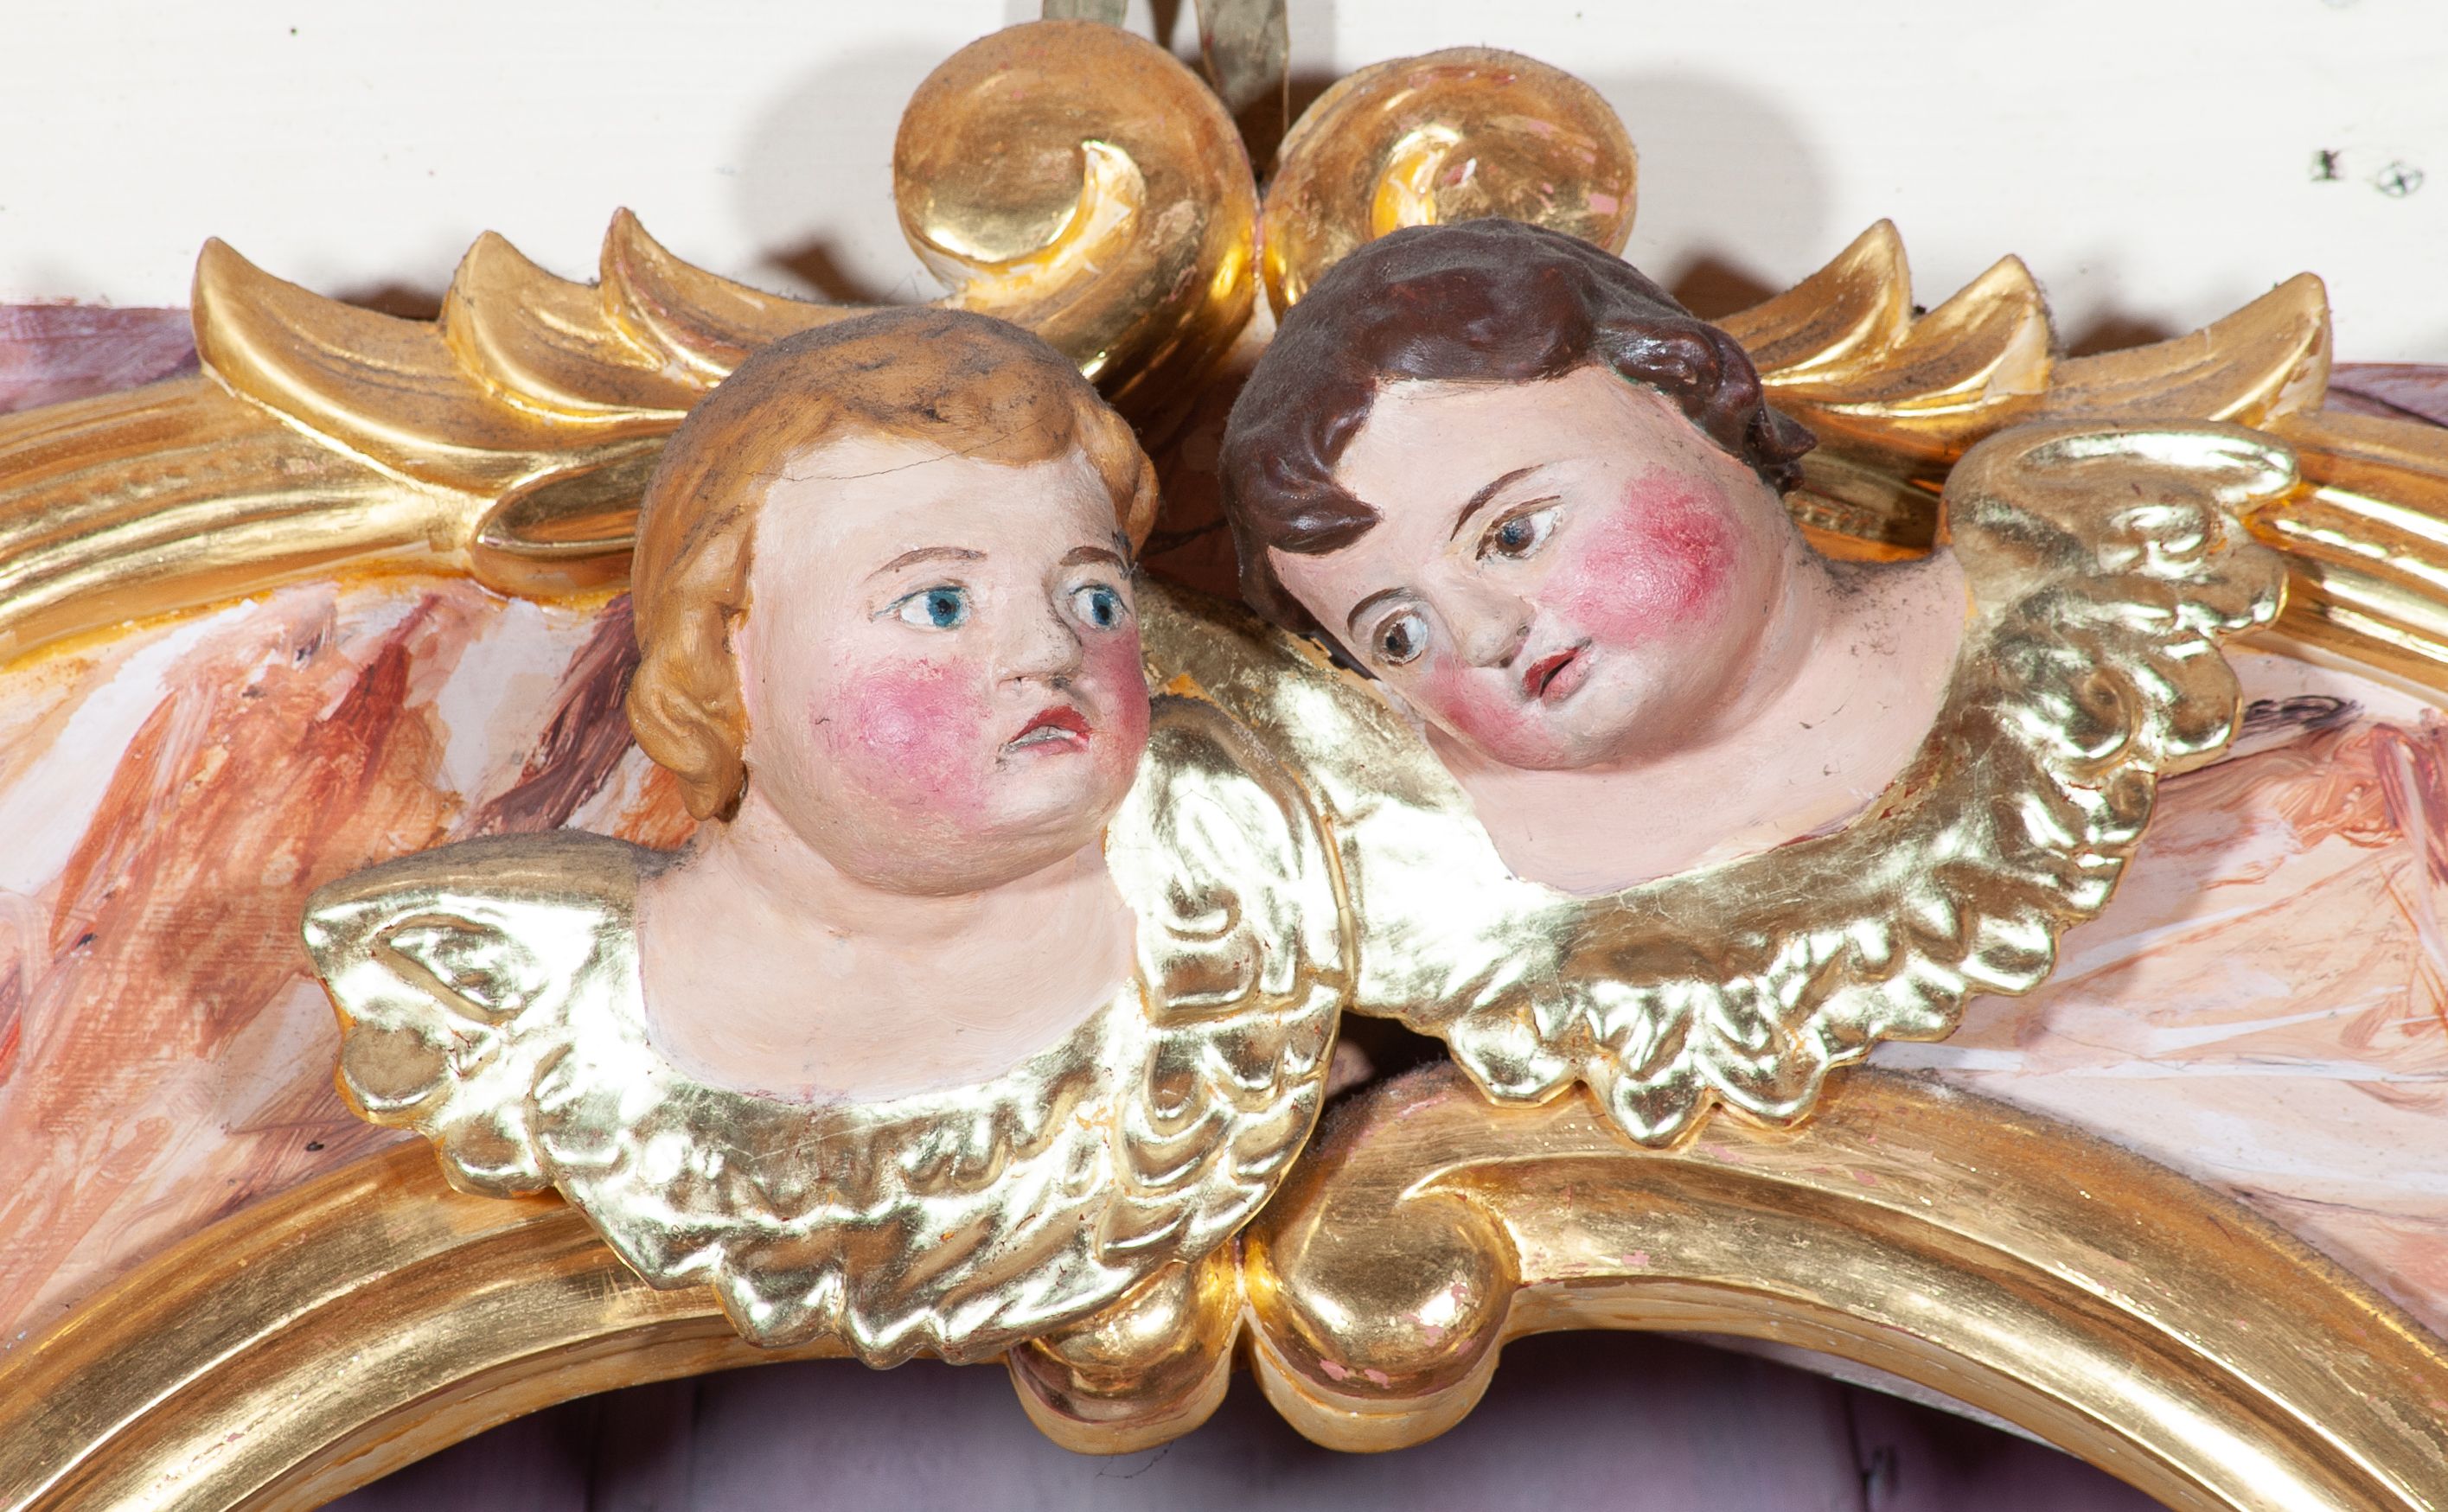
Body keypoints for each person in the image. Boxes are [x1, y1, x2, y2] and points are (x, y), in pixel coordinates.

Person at [303, 308, 1346, 1364]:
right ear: (723, 657)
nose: (1049, 649)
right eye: (939, 605)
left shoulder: (1235, 883)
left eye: (1095, 598)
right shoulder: (515, 990)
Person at [1220, 218, 1968, 894]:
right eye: (1399, 637)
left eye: (1512, 537)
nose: (1482, 635)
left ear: (1686, 399)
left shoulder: (2016, 613)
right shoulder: (1398, 873)